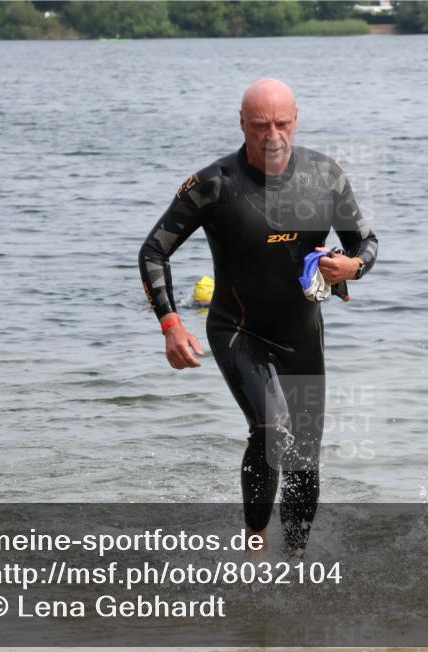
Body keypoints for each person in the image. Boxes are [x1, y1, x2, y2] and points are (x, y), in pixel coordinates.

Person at [138, 78, 378, 557]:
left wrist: (352, 266)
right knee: (271, 428)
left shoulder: (325, 176)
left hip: (301, 335)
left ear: (297, 119)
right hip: (237, 329)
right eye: (260, 126)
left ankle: (295, 563)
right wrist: (171, 324)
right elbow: (153, 251)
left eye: (282, 124)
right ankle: (255, 547)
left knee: (304, 456)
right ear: (242, 124)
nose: (273, 136)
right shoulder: (214, 184)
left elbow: (364, 242)